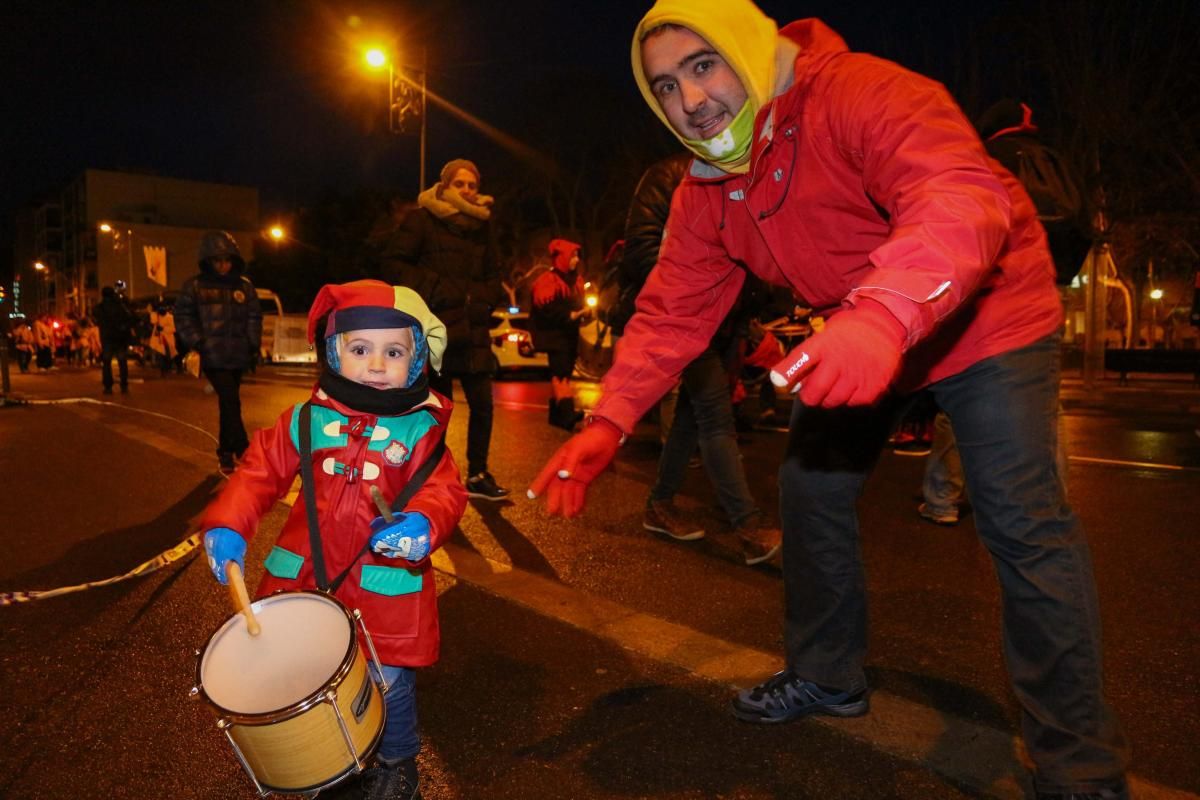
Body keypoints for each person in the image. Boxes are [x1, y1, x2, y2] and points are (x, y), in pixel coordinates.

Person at [529, 3, 1129, 797]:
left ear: (747, 52)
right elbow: (673, 308)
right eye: (665, 86)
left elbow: (957, 196)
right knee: (809, 490)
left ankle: (1078, 767)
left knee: (1024, 525)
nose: (690, 99)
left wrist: (883, 314)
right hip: (866, 327)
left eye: (703, 65)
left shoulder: (856, 92)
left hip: (985, 316)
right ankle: (827, 675)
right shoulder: (707, 188)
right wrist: (609, 419)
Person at [199, 279, 465, 800]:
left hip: (385, 585)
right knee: (309, 673)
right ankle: (329, 754)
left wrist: (421, 526)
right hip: (305, 577)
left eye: (394, 352)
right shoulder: (305, 419)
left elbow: (444, 491)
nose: (375, 364)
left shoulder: (421, 431)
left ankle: (397, 761)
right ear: (334, 351)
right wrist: (228, 523)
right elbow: (257, 474)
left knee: (389, 680)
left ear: (416, 362)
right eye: (360, 349)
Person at [618, 153, 782, 563]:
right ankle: (749, 526)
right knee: (714, 415)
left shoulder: (743, 178)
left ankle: (659, 504)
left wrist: (752, 306)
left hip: (726, 321)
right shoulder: (665, 176)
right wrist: (704, 284)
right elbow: (642, 252)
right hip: (685, 317)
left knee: (691, 418)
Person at [381, 159, 510, 500]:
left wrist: (480, 300)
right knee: (437, 408)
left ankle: (478, 473)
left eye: (472, 185)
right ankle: (430, 474)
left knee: (483, 405)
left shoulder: (483, 227)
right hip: (437, 328)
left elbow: (495, 274)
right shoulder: (422, 220)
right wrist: (438, 290)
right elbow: (395, 264)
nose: (467, 190)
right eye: (460, 184)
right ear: (444, 186)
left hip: (474, 329)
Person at [175, 231, 263, 475]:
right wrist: (199, 341)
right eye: (217, 260)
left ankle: (226, 452)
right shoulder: (194, 286)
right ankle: (243, 448)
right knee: (230, 400)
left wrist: (253, 345)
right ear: (208, 261)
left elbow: (254, 317)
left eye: (227, 260)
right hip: (212, 354)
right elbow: (183, 317)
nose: (223, 265)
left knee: (229, 402)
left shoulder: (244, 287)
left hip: (237, 353)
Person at [530, 238, 591, 431]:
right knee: (560, 374)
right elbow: (546, 308)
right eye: (572, 256)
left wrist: (583, 313)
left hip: (569, 335)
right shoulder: (548, 281)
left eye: (576, 256)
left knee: (563, 373)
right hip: (554, 336)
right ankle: (566, 413)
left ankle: (556, 416)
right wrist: (569, 315)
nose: (576, 260)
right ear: (563, 258)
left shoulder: (576, 280)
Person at [93, 286, 133, 395]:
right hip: (120, 337)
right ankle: (124, 385)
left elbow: (95, 318)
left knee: (106, 363)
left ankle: (108, 386)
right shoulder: (119, 306)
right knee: (122, 362)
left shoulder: (100, 308)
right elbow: (129, 317)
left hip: (107, 338)